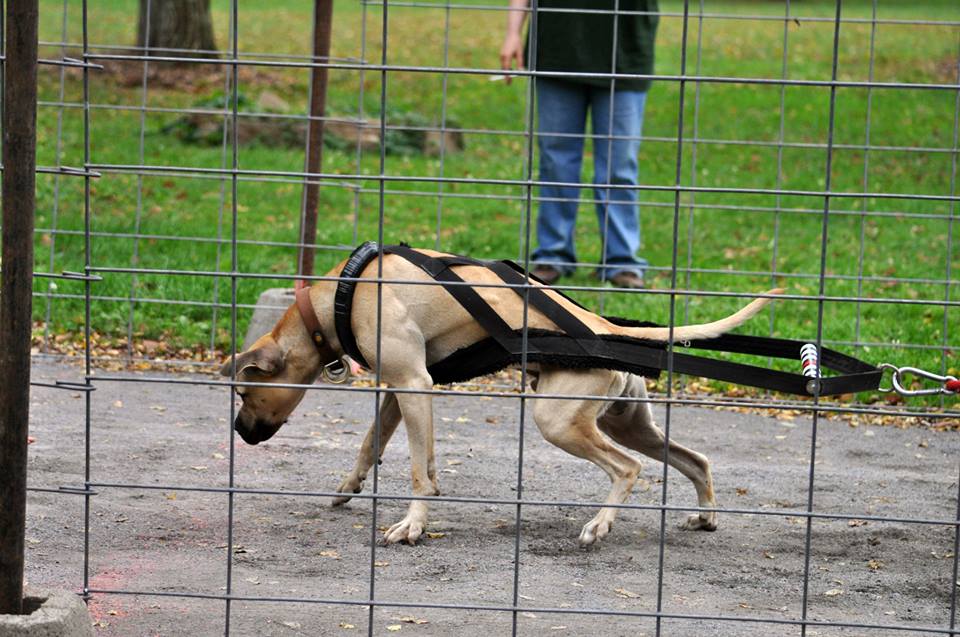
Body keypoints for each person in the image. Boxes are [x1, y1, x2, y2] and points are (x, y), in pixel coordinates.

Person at [500, 0, 659, 289]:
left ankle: (622, 261)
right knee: (555, 162)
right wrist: (513, 31)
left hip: (626, 54)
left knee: (618, 166)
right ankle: (552, 255)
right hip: (557, 51)